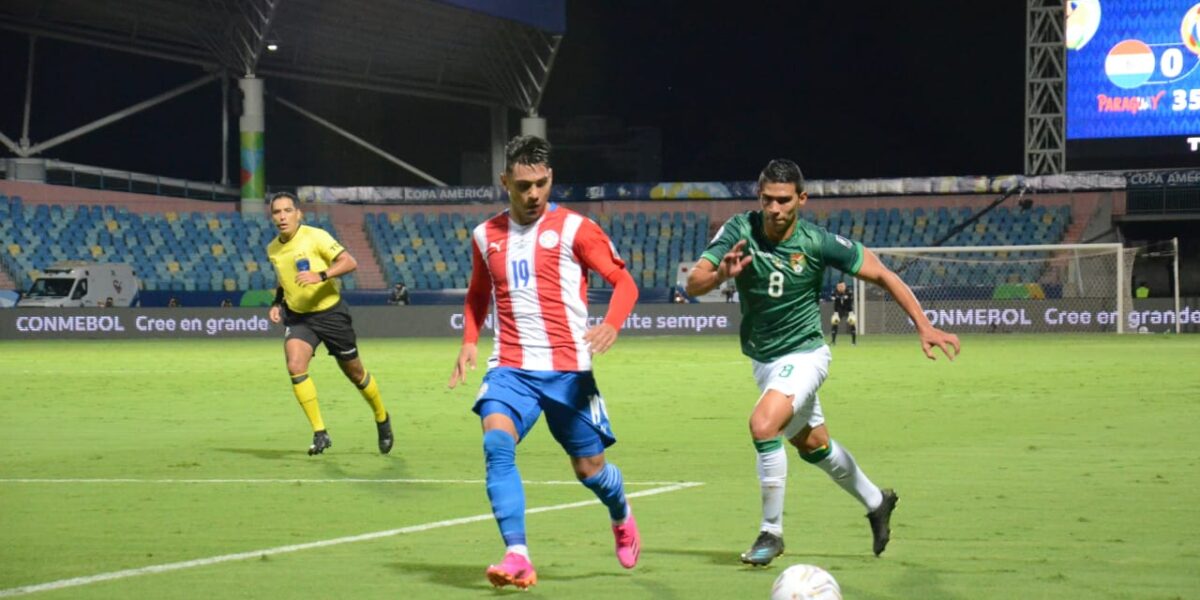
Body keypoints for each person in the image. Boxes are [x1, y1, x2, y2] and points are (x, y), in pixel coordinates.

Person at [685, 159, 960, 565]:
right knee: (814, 446)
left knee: (763, 425)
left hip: (806, 354)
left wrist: (924, 325)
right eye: (767, 200)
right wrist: (721, 275)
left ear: (802, 199)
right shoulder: (741, 230)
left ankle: (771, 533)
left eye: (783, 200)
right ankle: (875, 501)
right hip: (764, 362)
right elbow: (694, 283)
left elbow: (883, 274)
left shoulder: (817, 242)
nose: (774, 209)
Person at [448, 135, 642, 590]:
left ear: (550, 177)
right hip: (511, 367)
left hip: (569, 371)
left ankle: (620, 511)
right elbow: (478, 292)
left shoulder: (577, 229)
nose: (533, 194)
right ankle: (517, 554)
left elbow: (625, 282)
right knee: (496, 443)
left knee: (589, 470)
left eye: (540, 184)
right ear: (505, 183)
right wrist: (469, 340)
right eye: (522, 186)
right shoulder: (485, 235)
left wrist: (612, 324)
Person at [265, 191, 393, 456]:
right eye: (277, 212)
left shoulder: (316, 236)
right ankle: (320, 432)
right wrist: (277, 302)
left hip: (331, 314)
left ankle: (382, 417)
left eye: (287, 210)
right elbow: (283, 279)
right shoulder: (273, 248)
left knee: (355, 373)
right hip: (300, 317)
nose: (282, 216)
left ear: (298, 213)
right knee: (295, 365)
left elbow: (350, 262)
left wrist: (320, 275)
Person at [830, 281, 856, 345]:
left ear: (845, 286)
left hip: (848, 310)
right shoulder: (835, 292)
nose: (840, 288)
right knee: (834, 323)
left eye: (842, 286)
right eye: (839, 286)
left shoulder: (849, 291)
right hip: (838, 311)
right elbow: (832, 298)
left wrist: (839, 297)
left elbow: (850, 298)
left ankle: (854, 342)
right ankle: (833, 341)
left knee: (852, 323)